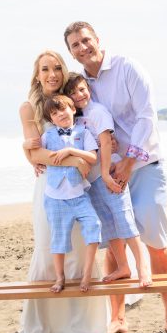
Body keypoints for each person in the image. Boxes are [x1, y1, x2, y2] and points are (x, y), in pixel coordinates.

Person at [63, 22, 167, 333]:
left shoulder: (127, 68)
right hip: (108, 172)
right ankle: (117, 318)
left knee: (155, 239)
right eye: (75, 45)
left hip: (144, 165)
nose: (83, 47)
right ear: (71, 53)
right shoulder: (77, 85)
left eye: (86, 40)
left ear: (97, 39)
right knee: (114, 239)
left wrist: (129, 161)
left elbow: (147, 116)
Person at [18, 51, 109, 333]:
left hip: (78, 188)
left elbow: (91, 140)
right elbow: (37, 153)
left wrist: (80, 158)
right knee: (49, 247)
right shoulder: (29, 108)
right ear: (37, 74)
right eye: (45, 69)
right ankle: (41, 327)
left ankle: (83, 327)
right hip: (49, 188)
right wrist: (73, 160)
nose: (52, 74)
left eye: (57, 67)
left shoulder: (72, 102)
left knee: (80, 250)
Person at [64, 73, 153, 288]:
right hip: (92, 179)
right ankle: (123, 267)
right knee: (109, 225)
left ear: (89, 89)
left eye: (82, 89)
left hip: (110, 175)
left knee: (125, 219)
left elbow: (105, 143)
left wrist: (105, 174)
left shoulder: (98, 112)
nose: (79, 95)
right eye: (73, 93)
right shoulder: (78, 119)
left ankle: (143, 268)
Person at [39, 94, 101, 293]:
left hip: (79, 195)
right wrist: (31, 158)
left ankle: (87, 274)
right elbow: (37, 156)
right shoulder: (47, 136)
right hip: (55, 196)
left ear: (73, 109)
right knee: (58, 238)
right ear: (51, 119)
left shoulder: (84, 133)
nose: (60, 115)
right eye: (54, 113)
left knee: (94, 226)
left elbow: (92, 157)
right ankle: (60, 277)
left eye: (63, 109)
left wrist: (71, 151)